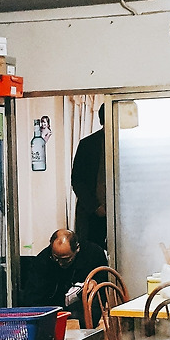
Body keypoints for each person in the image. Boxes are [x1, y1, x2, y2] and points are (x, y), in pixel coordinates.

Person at [25, 228, 107, 319]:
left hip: (85, 308)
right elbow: (32, 297)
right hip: (54, 310)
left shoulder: (93, 253)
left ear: (77, 248)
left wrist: (95, 281)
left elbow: (104, 277)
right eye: (56, 258)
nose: (60, 263)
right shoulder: (42, 261)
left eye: (66, 259)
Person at [71, 104, 107, 250]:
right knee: (92, 253)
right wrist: (95, 207)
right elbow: (77, 180)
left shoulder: (127, 143)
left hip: (122, 215)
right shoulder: (88, 144)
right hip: (92, 214)